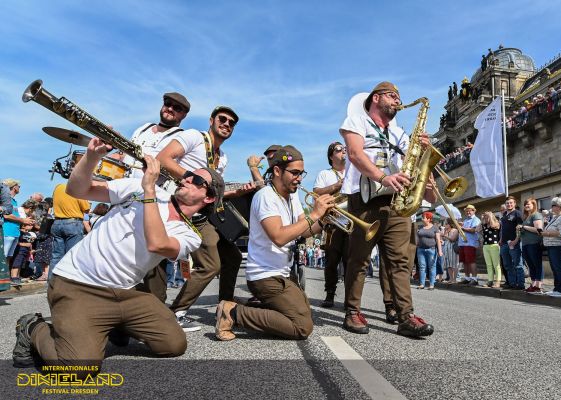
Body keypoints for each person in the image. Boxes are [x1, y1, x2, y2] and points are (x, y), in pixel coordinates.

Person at [12, 137, 223, 372]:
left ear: (209, 198)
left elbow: (157, 243)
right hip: (79, 283)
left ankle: (115, 324)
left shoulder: (190, 234)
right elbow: (76, 190)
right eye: (187, 173)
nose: (185, 177)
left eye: (196, 179)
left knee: (173, 344)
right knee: (76, 368)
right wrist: (93, 156)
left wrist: (150, 189)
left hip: (126, 293)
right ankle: (32, 326)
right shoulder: (135, 188)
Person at [339, 81, 435, 337]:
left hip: (396, 202)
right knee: (358, 259)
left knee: (400, 262)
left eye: (398, 97)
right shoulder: (356, 121)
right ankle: (352, 311)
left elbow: (410, 163)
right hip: (366, 198)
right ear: (376, 98)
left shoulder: (400, 133)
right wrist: (382, 177)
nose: (397, 101)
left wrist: (423, 153)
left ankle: (405, 316)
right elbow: (355, 154)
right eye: (393, 96)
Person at [214, 145, 334, 341]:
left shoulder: (291, 196)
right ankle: (232, 312)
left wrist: (324, 220)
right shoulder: (265, 196)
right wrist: (314, 214)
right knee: (302, 327)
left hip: (282, 274)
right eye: (294, 173)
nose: (299, 178)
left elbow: (303, 229)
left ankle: (247, 306)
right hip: (265, 276)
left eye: (301, 173)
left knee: (302, 311)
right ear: (277, 171)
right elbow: (278, 237)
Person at [156, 105, 254, 331]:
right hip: (181, 208)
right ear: (211, 120)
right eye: (223, 119)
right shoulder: (194, 137)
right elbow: (163, 159)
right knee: (210, 264)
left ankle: (225, 308)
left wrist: (236, 193)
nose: (227, 124)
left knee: (233, 256)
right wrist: (196, 180)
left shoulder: (223, 158)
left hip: (203, 212)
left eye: (232, 123)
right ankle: (176, 312)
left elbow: (212, 192)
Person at [120, 92, 190, 178]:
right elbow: (123, 155)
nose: (170, 109)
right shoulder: (144, 128)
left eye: (177, 108)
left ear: (184, 115)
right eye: (168, 104)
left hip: (147, 189)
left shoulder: (181, 137)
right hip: (121, 183)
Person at [313, 141, 348, 307]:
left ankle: (351, 298)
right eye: (339, 149)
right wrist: (337, 186)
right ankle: (330, 294)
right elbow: (315, 193)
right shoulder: (324, 174)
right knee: (331, 261)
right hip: (333, 222)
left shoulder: (353, 171)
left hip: (350, 222)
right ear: (331, 156)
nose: (343, 151)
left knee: (351, 261)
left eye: (344, 149)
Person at [49, 183, 90, 277]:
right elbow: (86, 208)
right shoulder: (78, 187)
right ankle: (67, 284)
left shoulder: (58, 187)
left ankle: (52, 282)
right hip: (72, 223)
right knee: (71, 256)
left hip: (57, 222)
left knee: (56, 256)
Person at [541, 197, 561, 297]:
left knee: (559, 268)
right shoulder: (555, 218)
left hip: (559, 246)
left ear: (560, 207)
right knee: (555, 268)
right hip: (552, 245)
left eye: (554, 205)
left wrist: (546, 233)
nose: (552, 207)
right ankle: (557, 289)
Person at [3, 179, 35, 268]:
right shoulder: (6, 199)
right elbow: (6, 216)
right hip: (7, 231)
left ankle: (4, 278)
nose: (19, 187)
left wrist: (25, 220)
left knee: (9, 256)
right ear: (13, 187)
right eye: (18, 186)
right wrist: (23, 220)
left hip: (14, 232)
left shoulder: (14, 201)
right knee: (3, 257)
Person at [517, 198, 545, 293]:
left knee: (537, 264)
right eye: (525, 204)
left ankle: (538, 286)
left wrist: (524, 227)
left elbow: (538, 229)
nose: (526, 206)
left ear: (534, 205)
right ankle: (533, 285)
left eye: (528, 204)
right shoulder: (526, 217)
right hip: (526, 244)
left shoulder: (536, 215)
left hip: (534, 243)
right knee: (531, 265)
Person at [499, 196, 525, 289]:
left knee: (518, 264)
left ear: (514, 204)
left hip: (515, 243)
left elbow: (520, 228)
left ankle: (521, 284)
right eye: (507, 203)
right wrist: (501, 240)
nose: (509, 204)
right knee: (507, 265)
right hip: (504, 244)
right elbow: (503, 229)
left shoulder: (518, 213)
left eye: (511, 203)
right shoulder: (504, 214)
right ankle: (512, 283)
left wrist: (516, 240)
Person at [416, 211, 442, 290]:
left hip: (431, 249)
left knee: (432, 267)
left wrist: (440, 251)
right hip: (420, 249)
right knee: (422, 267)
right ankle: (422, 284)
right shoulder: (420, 228)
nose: (422, 218)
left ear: (428, 219)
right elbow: (417, 238)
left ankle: (431, 284)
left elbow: (438, 239)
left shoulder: (435, 228)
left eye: (423, 217)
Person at [457, 205, 480, 285]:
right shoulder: (465, 220)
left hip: (470, 243)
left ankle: (474, 279)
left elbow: (474, 230)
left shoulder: (476, 219)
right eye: (467, 211)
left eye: (470, 210)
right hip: (463, 243)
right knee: (465, 261)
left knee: (471, 261)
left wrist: (462, 228)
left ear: (474, 211)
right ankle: (467, 277)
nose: (468, 212)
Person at [478, 211, 501, 288]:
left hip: (494, 245)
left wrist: (490, 217)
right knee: (489, 265)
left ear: (491, 217)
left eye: (487, 217)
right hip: (486, 246)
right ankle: (490, 281)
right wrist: (481, 221)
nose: (486, 218)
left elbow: (495, 226)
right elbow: (477, 230)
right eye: (485, 217)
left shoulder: (496, 223)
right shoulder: (484, 225)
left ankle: (498, 281)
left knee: (496, 265)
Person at [441, 219, 459, 283]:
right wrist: (444, 233)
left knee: (454, 264)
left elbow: (453, 239)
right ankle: (451, 279)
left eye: (446, 224)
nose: (445, 225)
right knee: (448, 264)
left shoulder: (455, 230)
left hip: (453, 248)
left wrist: (445, 235)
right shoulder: (446, 230)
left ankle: (454, 279)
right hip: (447, 248)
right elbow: (443, 239)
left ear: (450, 224)